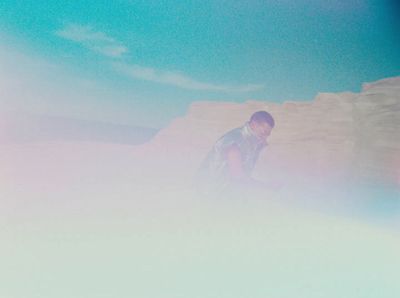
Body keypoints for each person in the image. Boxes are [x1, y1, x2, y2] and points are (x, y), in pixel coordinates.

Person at [195, 111, 275, 196]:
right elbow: (238, 176)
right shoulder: (234, 141)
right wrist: (266, 186)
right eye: (263, 133)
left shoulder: (252, 141)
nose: (265, 137)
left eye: (267, 135)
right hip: (209, 193)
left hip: (224, 193)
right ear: (254, 124)